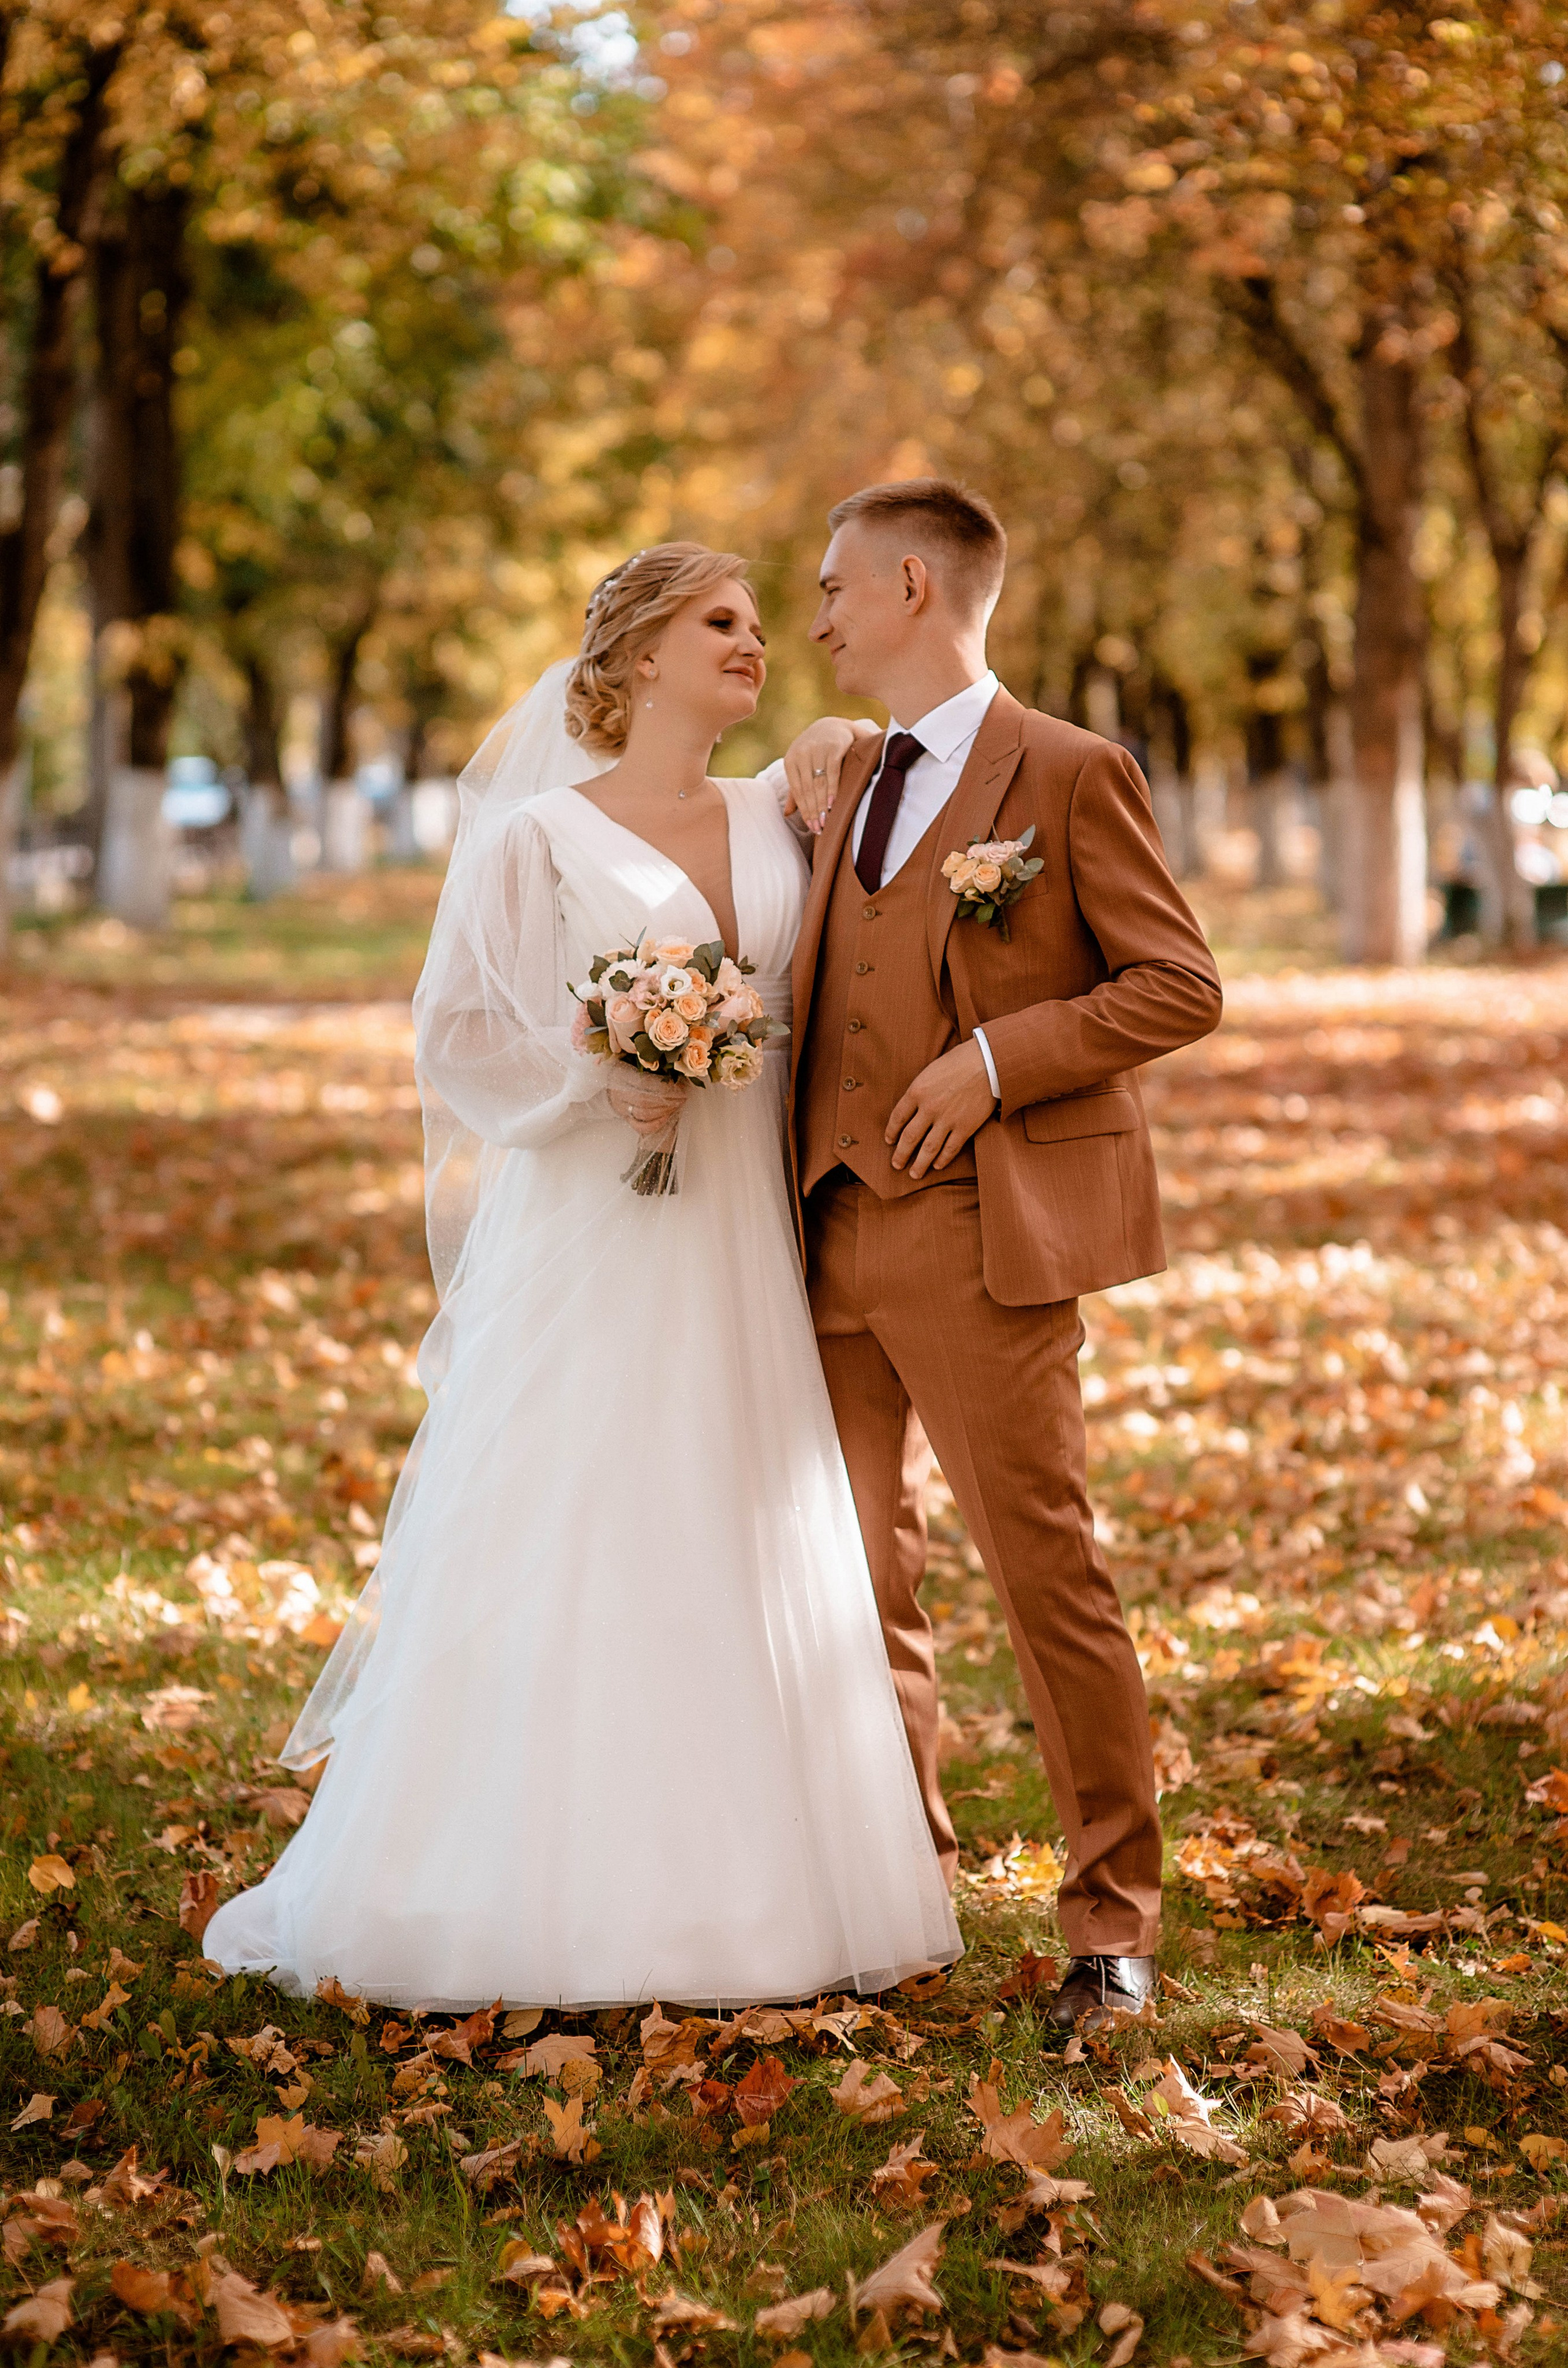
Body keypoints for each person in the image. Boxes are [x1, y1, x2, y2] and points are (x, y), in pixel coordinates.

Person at [202, 543, 960, 2010]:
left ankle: (753, 1884)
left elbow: (883, 784)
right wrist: (597, 1071)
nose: (756, 644)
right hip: (592, 1224)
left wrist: (836, 734)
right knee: (582, 1509)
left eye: (759, 624)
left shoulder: (780, 810)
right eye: (722, 623)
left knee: (732, 1505)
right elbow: (455, 1039)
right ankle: (526, 1875)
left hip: (740, 1230)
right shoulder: (533, 837)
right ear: (637, 654)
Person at [774, 481, 1223, 2028]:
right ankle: (899, 1890)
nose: (814, 618)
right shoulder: (835, 778)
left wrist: (993, 1060)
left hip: (983, 1241)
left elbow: (1177, 984)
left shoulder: (1071, 769)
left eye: (833, 588)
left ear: (913, 585)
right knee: (853, 1586)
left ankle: (1109, 1925)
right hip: (818, 1230)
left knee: (1046, 1580)